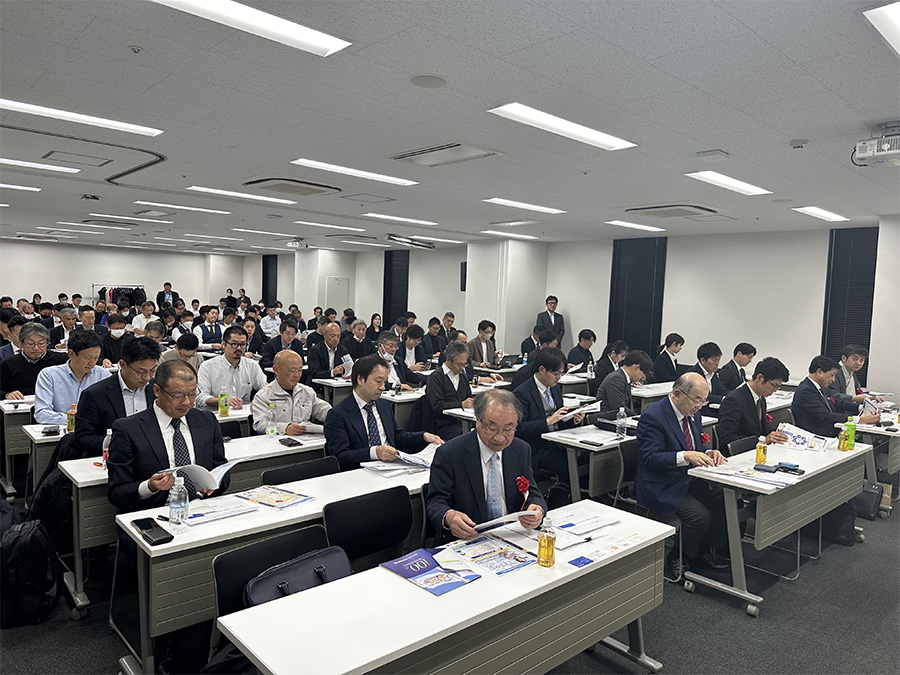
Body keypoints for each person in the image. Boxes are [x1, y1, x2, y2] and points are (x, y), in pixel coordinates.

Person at [635, 373, 729, 576]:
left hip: (688, 478)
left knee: (725, 500)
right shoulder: (654, 416)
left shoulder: (693, 414)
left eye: (704, 401)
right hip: (661, 484)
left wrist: (708, 452)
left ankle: (703, 551)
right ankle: (677, 557)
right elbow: (650, 459)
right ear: (678, 394)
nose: (700, 406)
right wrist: (685, 456)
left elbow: (695, 445)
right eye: (697, 400)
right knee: (699, 517)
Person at [425, 389, 547, 545]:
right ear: (478, 421)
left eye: (508, 429)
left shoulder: (521, 450)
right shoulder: (450, 453)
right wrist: (449, 516)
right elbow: (435, 501)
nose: (500, 438)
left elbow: (532, 491)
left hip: (511, 537)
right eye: (492, 428)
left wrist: (537, 509)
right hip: (467, 539)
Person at [107, 360, 230, 513]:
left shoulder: (206, 420)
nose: (187, 402)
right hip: (154, 512)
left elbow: (222, 470)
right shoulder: (128, 429)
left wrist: (213, 485)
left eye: (192, 394)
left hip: (202, 509)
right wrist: (149, 487)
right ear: (157, 390)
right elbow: (116, 492)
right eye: (177, 395)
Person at [324, 355, 442, 470]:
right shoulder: (338, 414)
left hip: (392, 467)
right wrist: (374, 452)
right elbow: (340, 456)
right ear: (360, 379)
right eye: (378, 381)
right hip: (360, 472)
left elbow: (397, 437)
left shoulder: (383, 404)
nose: (383, 387)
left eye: (385, 382)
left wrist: (423, 436)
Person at [74, 337, 161, 456]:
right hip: (113, 458)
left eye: (152, 371)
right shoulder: (95, 395)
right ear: (122, 365)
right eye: (140, 372)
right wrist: (119, 444)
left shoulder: (157, 390)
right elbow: (83, 438)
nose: (147, 377)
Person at [514, 348, 585, 480]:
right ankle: (563, 491)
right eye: (556, 374)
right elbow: (519, 428)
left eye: (561, 374)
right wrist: (547, 422)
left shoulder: (555, 388)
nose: (559, 378)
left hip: (559, 440)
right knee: (568, 464)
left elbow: (560, 417)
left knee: (586, 458)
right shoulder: (522, 393)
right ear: (542, 369)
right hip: (538, 446)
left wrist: (574, 419)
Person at [791, 356, 879, 437]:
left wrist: (861, 408)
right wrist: (859, 420)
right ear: (819, 372)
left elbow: (837, 402)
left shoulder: (819, 386)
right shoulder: (806, 390)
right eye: (832, 375)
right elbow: (825, 416)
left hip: (829, 432)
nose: (833, 380)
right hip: (817, 436)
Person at [34, 330, 110, 424]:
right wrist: (75, 420)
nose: (92, 363)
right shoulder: (49, 375)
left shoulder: (104, 375)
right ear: (71, 354)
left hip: (94, 430)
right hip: (63, 430)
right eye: (87, 358)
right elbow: (41, 413)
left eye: (96, 358)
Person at [717, 357, 790, 451]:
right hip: (740, 455)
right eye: (774, 385)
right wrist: (762, 440)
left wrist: (778, 434)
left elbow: (761, 429)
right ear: (760, 378)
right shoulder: (734, 400)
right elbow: (727, 439)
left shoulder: (761, 399)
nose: (775, 390)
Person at [251, 350, 331, 436]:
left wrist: (336, 416)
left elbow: (323, 410)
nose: (297, 375)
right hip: (277, 440)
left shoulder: (306, 391)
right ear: (276, 370)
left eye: (300, 370)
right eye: (292, 371)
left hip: (305, 439)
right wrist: (285, 428)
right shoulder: (263, 396)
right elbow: (260, 425)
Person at [197, 326, 267, 410]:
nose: (239, 348)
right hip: (217, 413)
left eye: (243, 344)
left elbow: (264, 387)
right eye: (234, 344)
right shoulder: (207, 366)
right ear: (224, 344)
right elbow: (200, 397)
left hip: (244, 412)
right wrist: (223, 401)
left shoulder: (252, 365)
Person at [0, 323, 68, 399]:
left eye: (41, 344)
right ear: (22, 343)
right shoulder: (7, 365)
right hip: (20, 403)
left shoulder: (61, 360)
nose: (36, 348)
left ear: (47, 343)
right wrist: (7, 395)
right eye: (30, 344)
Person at [426, 341, 475, 439]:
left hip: (463, 420)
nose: (462, 368)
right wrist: (461, 404)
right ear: (448, 360)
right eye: (459, 365)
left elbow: (468, 397)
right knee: (463, 436)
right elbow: (437, 406)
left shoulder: (463, 377)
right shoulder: (436, 377)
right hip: (444, 423)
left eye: (464, 364)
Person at [826, 344, 885, 413]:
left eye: (861, 360)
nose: (858, 363)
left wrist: (872, 398)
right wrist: (854, 398)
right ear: (844, 358)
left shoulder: (852, 373)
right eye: (855, 359)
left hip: (851, 410)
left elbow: (857, 392)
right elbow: (832, 396)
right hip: (839, 413)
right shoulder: (834, 372)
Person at [598, 350, 654, 415]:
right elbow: (619, 408)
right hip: (609, 419)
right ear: (636, 367)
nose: (643, 376)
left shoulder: (623, 378)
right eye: (643, 372)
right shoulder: (616, 379)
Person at [686, 342, 728, 409]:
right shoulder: (692, 374)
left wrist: (735, 395)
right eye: (714, 360)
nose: (717, 363)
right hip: (697, 410)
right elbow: (702, 397)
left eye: (718, 360)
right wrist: (724, 399)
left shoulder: (713, 374)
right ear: (703, 360)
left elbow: (722, 390)